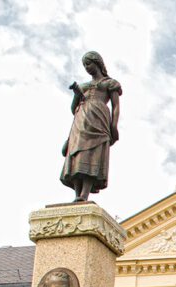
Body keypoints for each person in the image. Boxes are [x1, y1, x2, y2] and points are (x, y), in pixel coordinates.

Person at [60, 51, 122, 202]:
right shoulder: (83, 86)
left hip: (99, 119)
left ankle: (84, 194)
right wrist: (77, 94)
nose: (87, 67)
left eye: (89, 63)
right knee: (76, 153)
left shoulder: (109, 83)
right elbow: (73, 108)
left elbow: (116, 106)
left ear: (98, 63)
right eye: (84, 65)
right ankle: (77, 195)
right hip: (80, 120)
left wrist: (114, 126)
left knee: (92, 154)